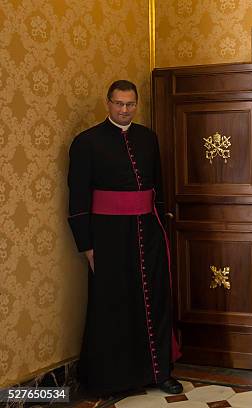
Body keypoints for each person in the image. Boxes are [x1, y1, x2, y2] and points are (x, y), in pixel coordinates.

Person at [67, 80, 182, 396]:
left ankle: (159, 372)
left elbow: (157, 188)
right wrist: (87, 247)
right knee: (113, 305)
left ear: (137, 105)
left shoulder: (148, 138)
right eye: (119, 103)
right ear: (108, 103)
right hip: (108, 238)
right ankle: (113, 379)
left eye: (130, 104)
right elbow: (77, 200)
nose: (124, 109)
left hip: (149, 232)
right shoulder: (86, 142)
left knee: (154, 300)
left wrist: (161, 228)